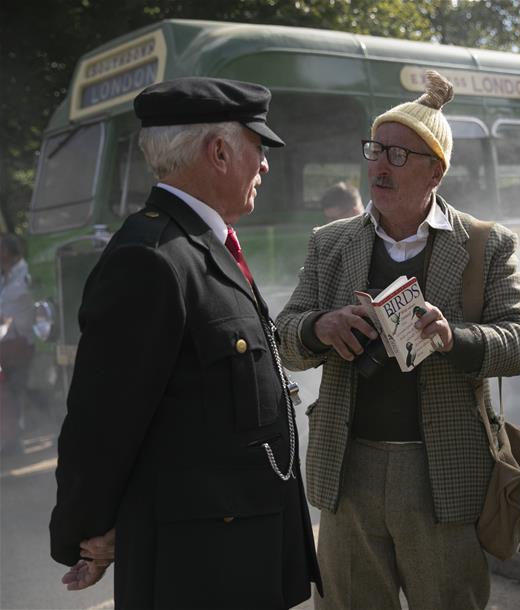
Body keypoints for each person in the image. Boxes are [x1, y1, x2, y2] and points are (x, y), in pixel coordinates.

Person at [49, 77, 321, 609]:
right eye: (258, 146)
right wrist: (89, 532)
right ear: (218, 151)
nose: (265, 164)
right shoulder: (151, 257)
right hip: (199, 565)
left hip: (235, 549)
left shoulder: (199, 245)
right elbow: (102, 418)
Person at [276, 70, 520, 610]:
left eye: (399, 155)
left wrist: (453, 337)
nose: (378, 165)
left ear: (436, 172)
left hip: (443, 470)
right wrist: (319, 327)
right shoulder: (331, 242)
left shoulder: (486, 244)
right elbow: (285, 337)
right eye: (376, 150)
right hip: (349, 469)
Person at [0, 233, 35, 455]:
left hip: (19, 342)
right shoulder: (5, 276)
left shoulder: (25, 275)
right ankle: (10, 439)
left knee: (14, 391)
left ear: (9, 254)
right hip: (6, 343)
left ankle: (14, 442)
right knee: (9, 393)